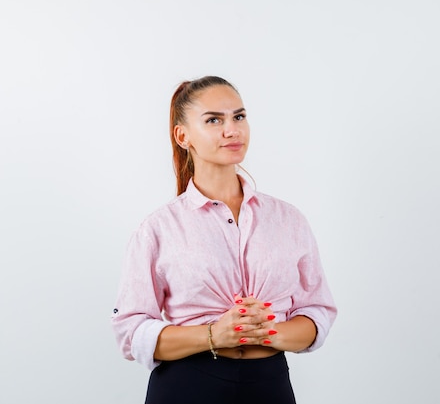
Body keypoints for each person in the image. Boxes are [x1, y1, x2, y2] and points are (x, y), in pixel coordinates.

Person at [111, 76, 337, 404]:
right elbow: (130, 333)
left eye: (239, 117)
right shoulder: (157, 229)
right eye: (214, 120)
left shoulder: (288, 220)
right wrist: (215, 334)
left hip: (270, 387)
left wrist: (269, 331)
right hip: (187, 386)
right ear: (182, 135)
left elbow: (318, 311)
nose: (232, 130)